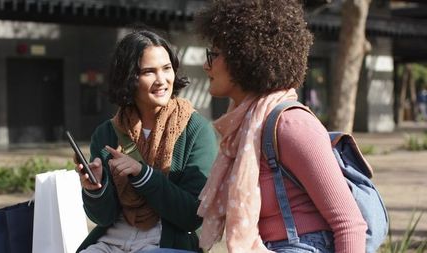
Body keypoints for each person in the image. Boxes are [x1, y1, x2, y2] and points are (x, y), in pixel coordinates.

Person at [194, 1, 367, 252]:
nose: (206, 65)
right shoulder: (245, 126)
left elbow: (349, 223)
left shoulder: (291, 124)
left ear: (244, 56)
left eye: (215, 54)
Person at [74, 29, 218, 253]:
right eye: (149, 72)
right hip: (110, 241)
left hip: (164, 242)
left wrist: (144, 175)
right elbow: (102, 217)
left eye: (167, 68)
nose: (162, 80)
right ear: (129, 77)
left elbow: (193, 215)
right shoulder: (106, 133)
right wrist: (95, 189)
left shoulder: (196, 129)